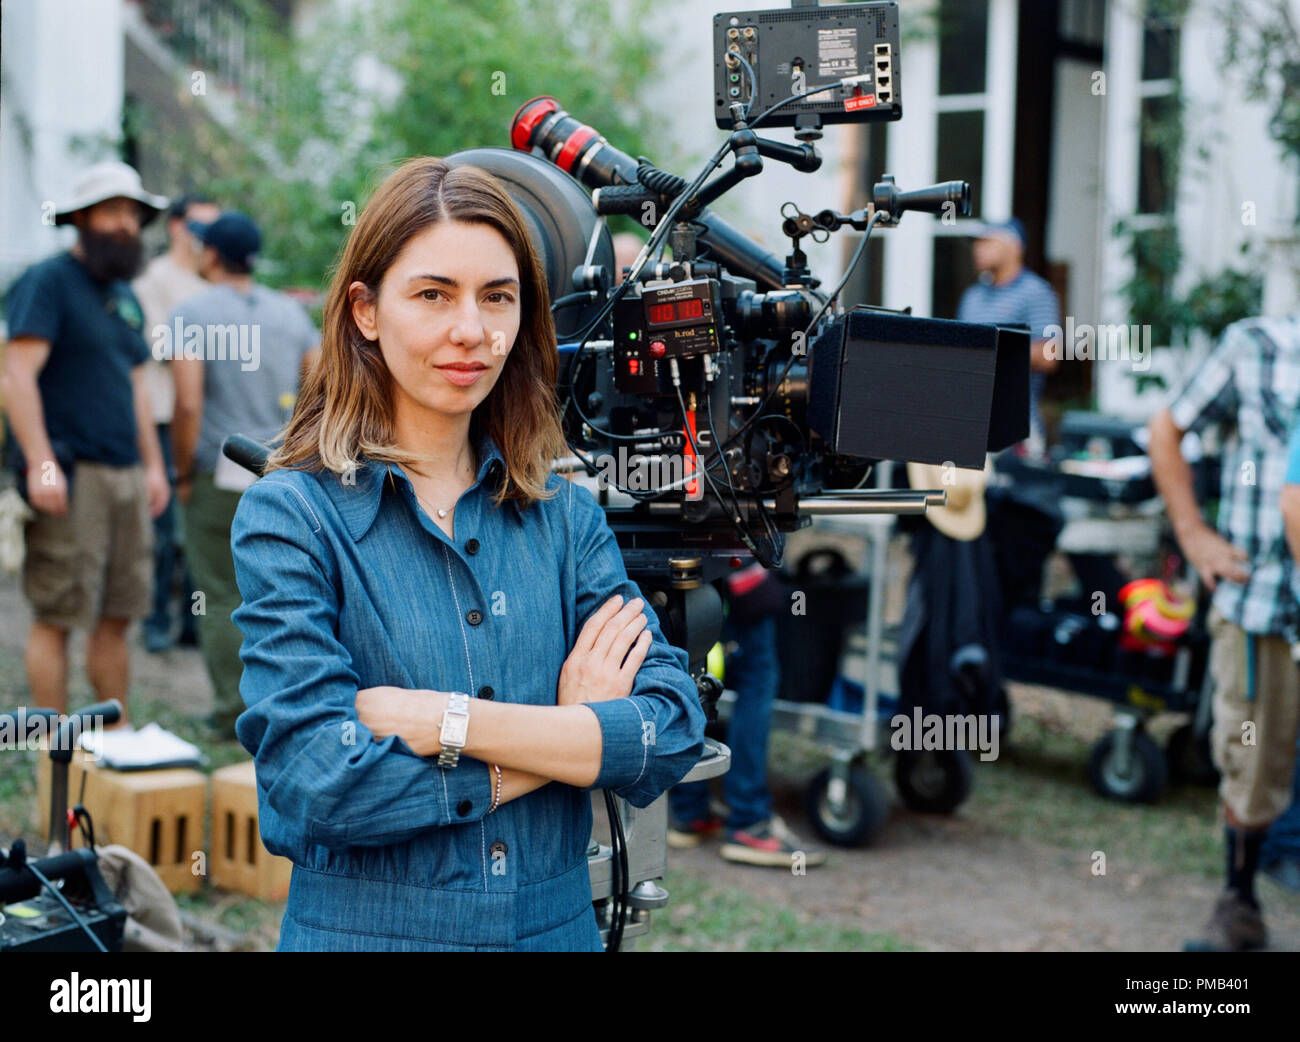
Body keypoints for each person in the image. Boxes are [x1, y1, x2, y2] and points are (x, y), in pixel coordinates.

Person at [228, 157, 706, 951]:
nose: (471, 331)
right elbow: (316, 786)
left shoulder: (566, 521)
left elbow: (672, 727)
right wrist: (566, 737)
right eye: (432, 294)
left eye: (498, 297)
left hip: (555, 933)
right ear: (366, 310)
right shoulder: (294, 517)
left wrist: (442, 721)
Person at [1147, 310, 1300, 951]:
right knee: (1252, 760)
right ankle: (1238, 903)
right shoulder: (1257, 346)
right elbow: (1166, 429)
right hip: (1260, 600)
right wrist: (1193, 535)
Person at [1, 160, 171, 719]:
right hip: (72, 476)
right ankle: (57, 749)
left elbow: (136, 389)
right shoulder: (47, 281)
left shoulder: (125, 296)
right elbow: (16, 374)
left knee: (119, 613)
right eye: (110, 211)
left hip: (125, 474)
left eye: (131, 213)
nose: (124, 224)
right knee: (58, 616)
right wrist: (40, 464)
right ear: (81, 220)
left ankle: (112, 750)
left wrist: (152, 467)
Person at [166, 210, 321, 740]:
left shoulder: (191, 313)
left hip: (218, 471)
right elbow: (320, 388)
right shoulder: (290, 314)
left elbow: (187, 404)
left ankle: (234, 715)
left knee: (218, 594)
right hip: (283, 471)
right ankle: (287, 709)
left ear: (210, 255)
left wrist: (181, 473)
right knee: (282, 596)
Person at [667, 564, 826, 867]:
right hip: (735, 570)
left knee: (690, 671)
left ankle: (691, 812)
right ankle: (749, 823)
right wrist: (751, 572)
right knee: (756, 681)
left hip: (683, 574)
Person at [133, 192, 219, 653]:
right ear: (175, 228)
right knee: (167, 529)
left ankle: (193, 624)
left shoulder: (210, 285)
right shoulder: (155, 280)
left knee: (200, 525)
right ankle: (155, 620)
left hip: (204, 419)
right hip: (167, 417)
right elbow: (158, 347)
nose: (205, 239)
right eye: (198, 228)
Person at [956, 218, 1061, 454]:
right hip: (970, 421)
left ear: (1014, 247)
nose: (977, 249)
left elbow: (1049, 354)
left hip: (1015, 426)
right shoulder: (972, 296)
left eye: (987, 242)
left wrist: (987, 351)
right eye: (976, 243)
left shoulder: (1036, 292)